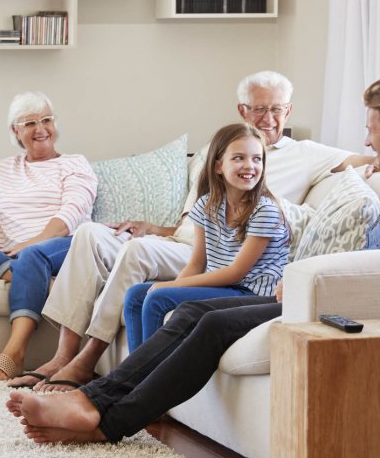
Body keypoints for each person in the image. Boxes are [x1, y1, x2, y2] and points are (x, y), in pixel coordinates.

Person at [6, 75, 380, 445]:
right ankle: (92, 400)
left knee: (208, 323)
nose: (367, 141)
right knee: (190, 310)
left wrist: (312, 277)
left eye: (372, 129)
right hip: (325, 296)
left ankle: (104, 419)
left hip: (350, 313)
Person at [10, 70, 372, 391]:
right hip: (183, 242)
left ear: (288, 111)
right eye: (260, 109)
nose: (269, 117)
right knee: (89, 233)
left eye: (277, 109)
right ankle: (65, 355)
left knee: (138, 258)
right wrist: (155, 229)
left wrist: (375, 169)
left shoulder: (305, 155)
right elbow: (193, 225)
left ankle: (91, 360)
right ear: (242, 110)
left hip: (235, 265)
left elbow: (367, 158)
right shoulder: (213, 157)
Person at [0, 91, 98, 382]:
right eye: (29, 123)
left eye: (46, 120)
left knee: (32, 255)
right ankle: (30, 277)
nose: (40, 129)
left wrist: (29, 244)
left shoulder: (75, 163)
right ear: (15, 131)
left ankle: (14, 354)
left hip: (66, 247)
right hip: (21, 255)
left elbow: (70, 216)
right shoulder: (2, 168)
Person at [122, 122, 290, 351]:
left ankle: (140, 379)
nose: (250, 165)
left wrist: (171, 286)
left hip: (254, 293)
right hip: (227, 287)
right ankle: (134, 378)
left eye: (257, 159)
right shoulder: (205, 205)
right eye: (239, 158)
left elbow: (236, 273)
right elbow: (197, 263)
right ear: (218, 166)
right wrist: (174, 286)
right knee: (135, 295)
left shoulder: (265, 210)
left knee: (158, 298)